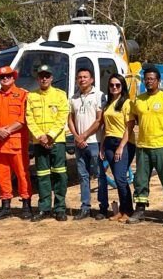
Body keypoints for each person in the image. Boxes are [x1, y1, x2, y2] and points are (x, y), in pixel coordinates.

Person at [127, 66, 163, 226]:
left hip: (162, 146)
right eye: (146, 79)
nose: (149, 81)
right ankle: (140, 209)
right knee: (140, 179)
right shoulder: (138, 100)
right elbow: (135, 120)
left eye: (152, 79)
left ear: (158, 81)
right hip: (143, 146)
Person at [0, 66, 32, 220]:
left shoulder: (23, 95)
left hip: (17, 144)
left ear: (14, 77)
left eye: (8, 76)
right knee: (2, 175)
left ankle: (26, 205)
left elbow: (24, 118)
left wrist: (7, 131)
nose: (5, 78)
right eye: (2, 77)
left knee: (22, 174)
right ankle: (5, 206)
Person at [25, 65, 69, 222]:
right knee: (42, 176)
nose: (44, 79)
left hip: (57, 141)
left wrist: (50, 135)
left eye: (47, 76)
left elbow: (62, 116)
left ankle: (60, 208)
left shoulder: (60, 95)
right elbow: (29, 117)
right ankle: (44, 209)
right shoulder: (31, 96)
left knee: (60, 175)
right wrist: (40, 136)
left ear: (51, 78)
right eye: (41, 76)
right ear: (37, 79)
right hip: (39, 142)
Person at [68, 67, 106, 220]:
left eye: (85, 77)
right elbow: (70, 119)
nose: (82, 79)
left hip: (94, 142)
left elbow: (99, 120)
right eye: (79, 77)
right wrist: (77, 137)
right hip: (79, 143)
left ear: (92, 79)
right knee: (83, 176)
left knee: (100, 175)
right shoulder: (74, 98)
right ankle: (85, 207)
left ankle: (103, 207)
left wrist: (83, 136)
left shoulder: (99, 95)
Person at [99, 73, 136, 223]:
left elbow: (129, 127)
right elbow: (105, 128)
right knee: (117, 177)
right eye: (111, 85)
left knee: (120, 178)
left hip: (124, 142)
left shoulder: (127, 103)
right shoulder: (108, 104)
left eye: (117, 85)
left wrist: (121, 146)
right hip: (109, 142)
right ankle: (122, 210)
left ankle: (128, 210)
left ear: (122, 86)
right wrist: (102, 146)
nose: (114, 87)